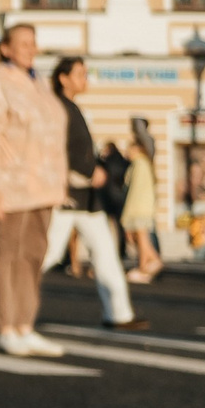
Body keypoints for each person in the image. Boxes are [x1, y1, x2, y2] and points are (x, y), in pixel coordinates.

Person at [0, 24, 70, 357]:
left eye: (33, 42)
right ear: (7, 49)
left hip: (44, 186)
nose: (30, 48)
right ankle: (5, 327)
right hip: (11, 185)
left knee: (33, 256)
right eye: (23, 43)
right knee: (7, 256)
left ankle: (25, 326)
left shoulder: (39, 84)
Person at [38, 56, 146, 330]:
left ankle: (119, 314)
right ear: (63, 78)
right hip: (68, 193)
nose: (85, 79)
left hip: (86, 198)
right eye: (80, 74)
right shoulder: (58, 108)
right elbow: (60, 149)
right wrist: (90, 170)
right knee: (48, 253)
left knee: (106, 253)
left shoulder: (72, 108)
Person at [120, 118, 164, 284]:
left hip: (138, 207)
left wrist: (127, 214)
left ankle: (146, 267)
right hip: (143, 206)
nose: (127, 151)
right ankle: (148, 265)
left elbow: (135, 191)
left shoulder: (139, 164)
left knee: (142, 239)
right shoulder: (143, 164)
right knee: (141, 238)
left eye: (130, 148)